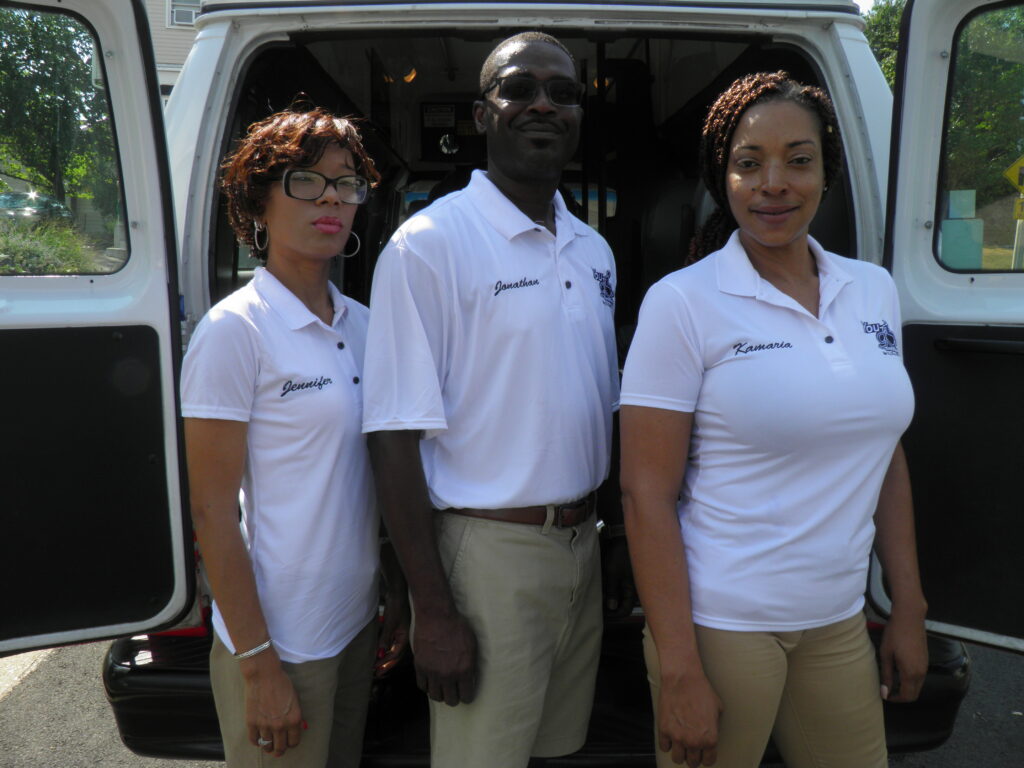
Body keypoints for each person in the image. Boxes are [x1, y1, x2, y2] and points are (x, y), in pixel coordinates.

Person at [619, 71, 929, 768]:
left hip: (837, 622)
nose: (773, 184)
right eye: (748, 164)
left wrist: (907, 604)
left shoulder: (871, 290)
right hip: (722, 626)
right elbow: (646, 495)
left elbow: (885, 457)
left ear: (827, 171)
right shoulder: (683, 303)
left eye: (798, 159)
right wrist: (679, 667)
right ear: (721, 179)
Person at [361, 31, 620, 768]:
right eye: (519, 87)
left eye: (563, 92)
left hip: (581, 547)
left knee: (556, 749)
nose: (543, 104)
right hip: (487, 557)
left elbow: (598, 404)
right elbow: (391, 436)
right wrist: (431, 608)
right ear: (482, 114)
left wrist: (614, 538)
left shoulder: (591, 249)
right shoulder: (429, 246)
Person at [180, 106, 407, 767]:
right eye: (305, 180)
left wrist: (390, 586)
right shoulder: (236, 332)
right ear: (259, 198)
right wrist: (258, 668)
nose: (332, 196)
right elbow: (212, 511)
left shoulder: (365, 325)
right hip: (281, 643)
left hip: (352, 625)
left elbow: (366, 478)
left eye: (347, 182)